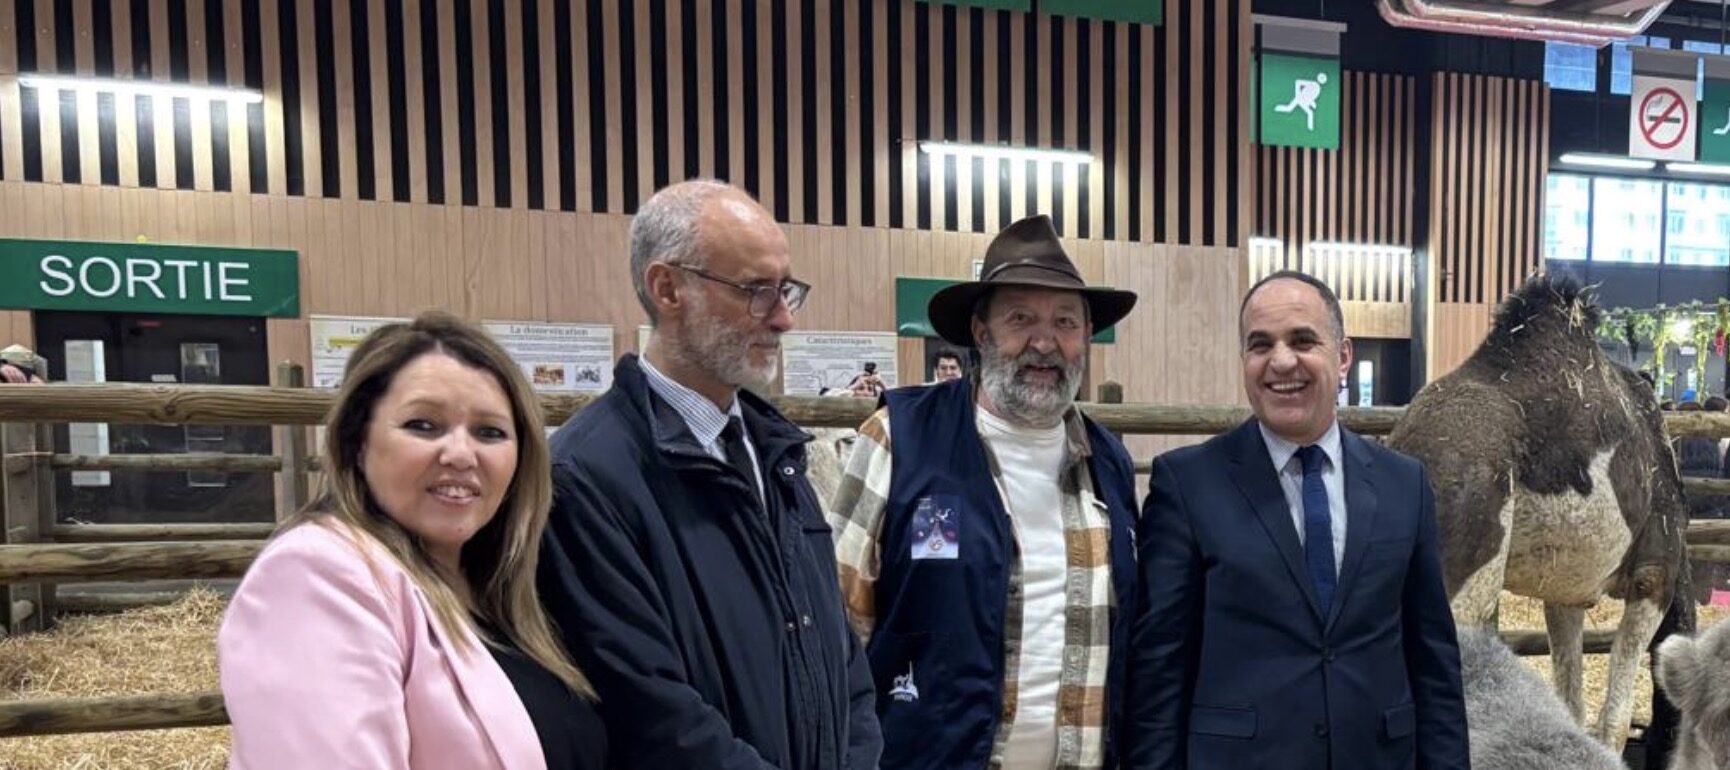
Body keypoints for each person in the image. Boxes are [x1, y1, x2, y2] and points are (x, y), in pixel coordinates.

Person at [537, 179, 881, 770]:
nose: (782, 319)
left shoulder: (778, 453)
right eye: (755, 291)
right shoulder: (586, 476)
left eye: (786, 291)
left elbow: (842, 658)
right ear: (667, 288)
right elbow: (649, 711)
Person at [219, 312, 606, 770]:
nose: (461, 454)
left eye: (490, 432)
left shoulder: (501, 591)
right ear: (356, 443)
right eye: (423, 425)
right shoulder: (315, 576)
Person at [828, 214, 1142, 770]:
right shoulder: (901, 439)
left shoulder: (1107, 463)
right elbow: (836, 634)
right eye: (1021, 318)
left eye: (1066, 322)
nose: (1045, 342)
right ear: (981, 332)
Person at [1124, 270, 1469, 770]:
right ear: (1244, 360)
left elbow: (1433, 659)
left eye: (1303, 340)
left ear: (1343, 355)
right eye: (1260, 345)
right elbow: (1159, 668)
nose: (1281, 361)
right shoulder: (1187, 484)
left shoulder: (1405, 485)